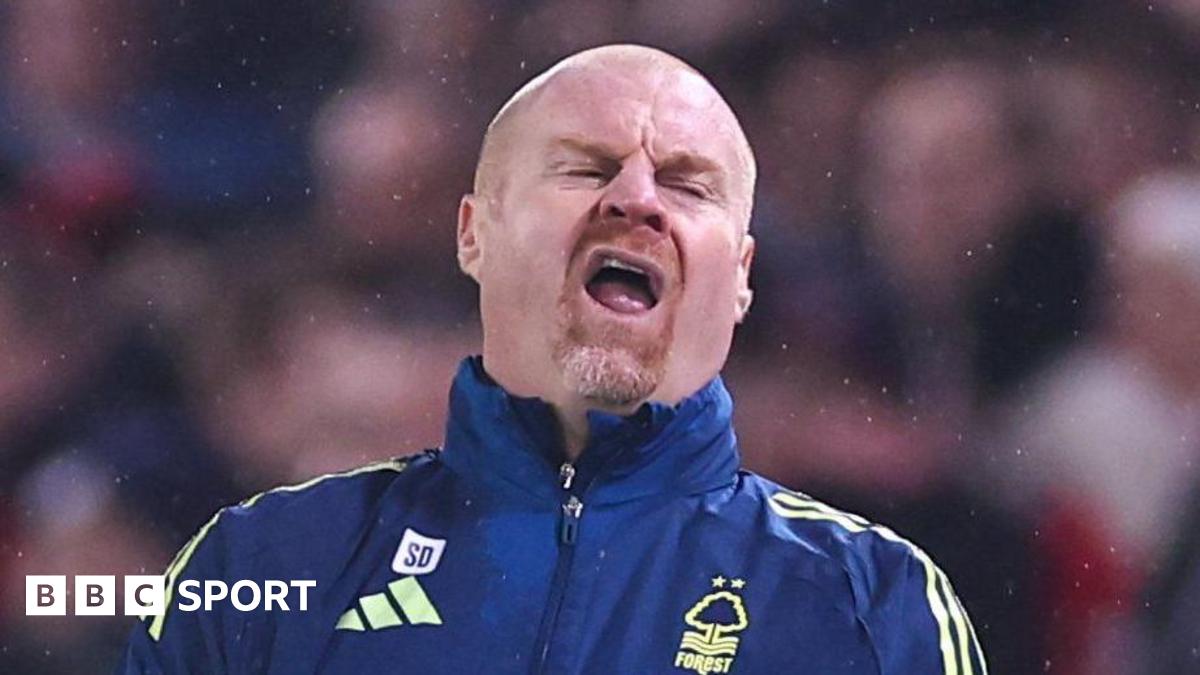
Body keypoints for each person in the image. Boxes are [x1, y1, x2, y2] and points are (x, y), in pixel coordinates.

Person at [117, 44, 987, 674]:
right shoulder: (261, 567)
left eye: (686, 185)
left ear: (744, 277)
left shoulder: (874, 603)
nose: (637, 199)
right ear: (473, 232)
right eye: (585, 168)